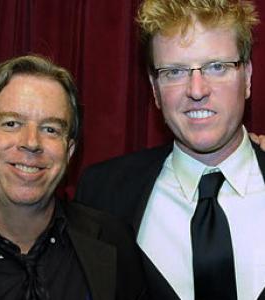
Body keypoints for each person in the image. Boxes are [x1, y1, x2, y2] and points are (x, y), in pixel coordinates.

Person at [75, 1, 265, 299]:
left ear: (248, 78)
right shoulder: (102, 194)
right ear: (154, 88)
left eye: (217, 67)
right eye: (175, 72)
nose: (197, 90)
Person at [0, 55, 148, 300]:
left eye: (50, 129)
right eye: (11, 123)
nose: (31, 143)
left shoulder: (113, 242)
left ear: (69, 152)